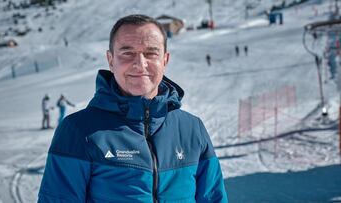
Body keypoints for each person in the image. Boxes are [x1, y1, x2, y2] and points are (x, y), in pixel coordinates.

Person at [38, 14, 228, 203]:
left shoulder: (192, 128)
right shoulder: (78, 130)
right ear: (111, 60)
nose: (140, 63)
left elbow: (213, 198)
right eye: (127, 53)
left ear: (165, 60)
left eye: (151, 53)